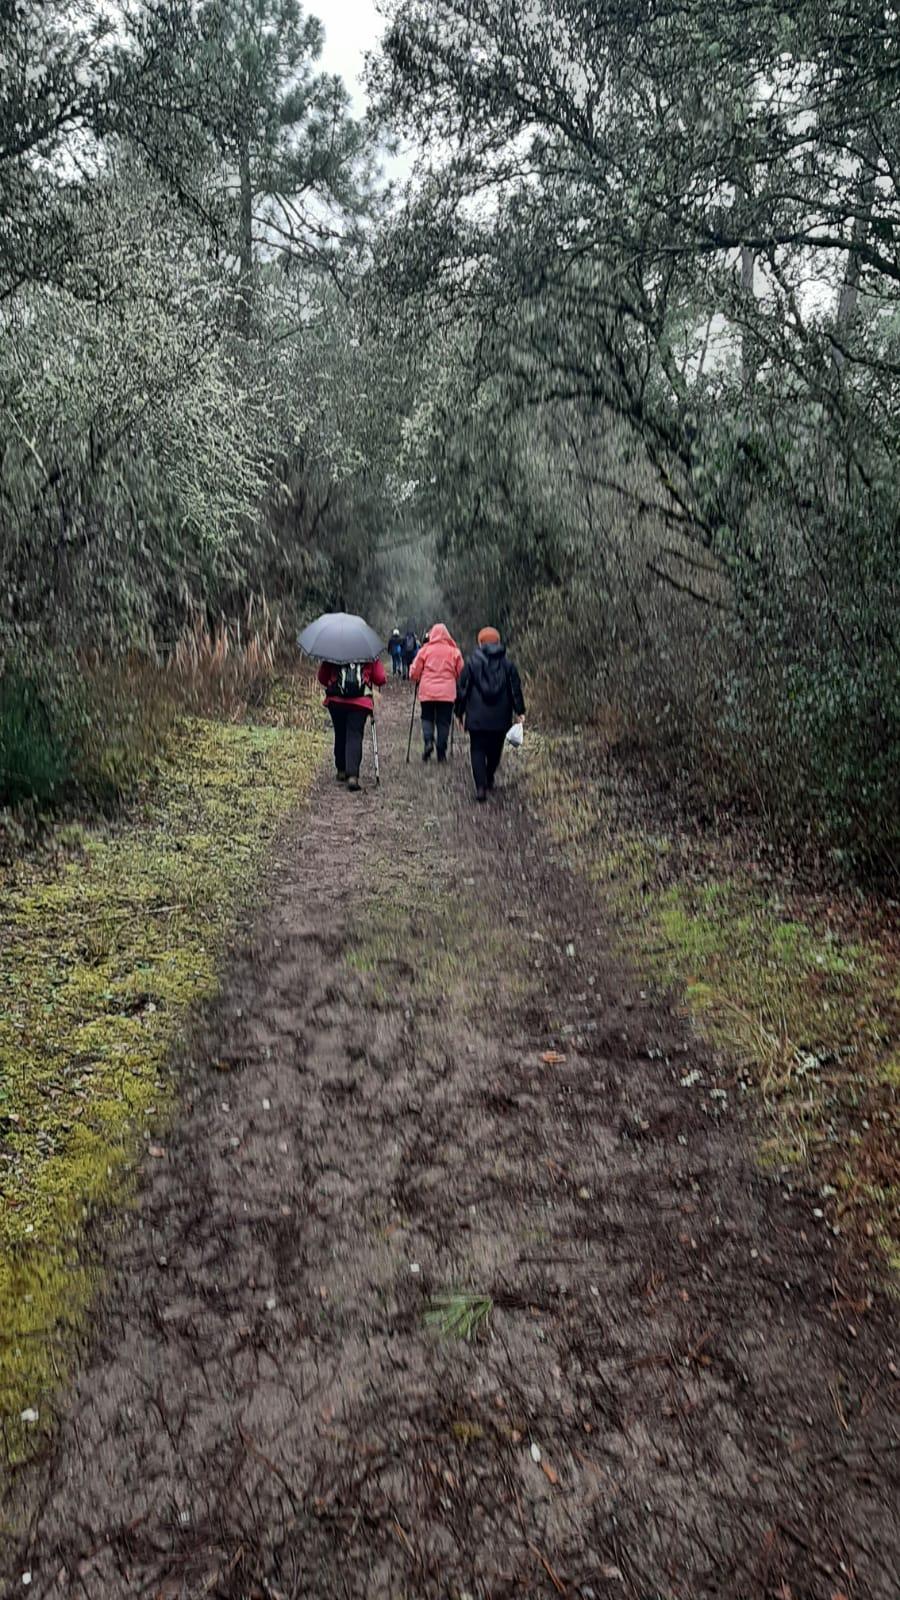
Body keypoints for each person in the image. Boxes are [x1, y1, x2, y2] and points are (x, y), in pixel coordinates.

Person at [456, 627, 525, 802]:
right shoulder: (508, 665)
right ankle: (489, 777)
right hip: (500, 716)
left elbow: (462, 690)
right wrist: (520, 711)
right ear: (498, 643)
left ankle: (481, 786)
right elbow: (515, 688)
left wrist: (459, 713)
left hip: (477, 715)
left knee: (477, 749)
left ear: (480, 643)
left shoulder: (471, 663)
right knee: (495, 749)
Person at [317, 656, 386, 791]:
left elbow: (322, 677)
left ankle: (341, 770)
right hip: (360, 702)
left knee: (340, 732)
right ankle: (352, 775)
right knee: (354, 735)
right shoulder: (368, 652)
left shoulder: (333, 651)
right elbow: (380, 678)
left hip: (336, 700)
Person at [409, 622, 464, 763]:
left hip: (427, 690)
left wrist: (415, 677)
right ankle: (441, 751)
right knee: (444, 721)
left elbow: (415, 671)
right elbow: (461, 672)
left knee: (427, 717)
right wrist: (455, 679)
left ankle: (428, 742)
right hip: (447, 692)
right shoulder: (454, 651)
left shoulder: (425, 650)